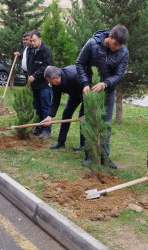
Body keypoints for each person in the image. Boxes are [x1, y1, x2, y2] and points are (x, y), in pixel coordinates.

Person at [75, 25, 129, 169]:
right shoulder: (92, 44)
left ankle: (104, 156)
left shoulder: (123, 52)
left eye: (120, 45)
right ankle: (88, 156)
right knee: (90, 123)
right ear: (110, 37)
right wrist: (85, 83)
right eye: (115, 44)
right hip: (90, 92)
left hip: (108, 92)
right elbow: (80, 63)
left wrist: (105, 83)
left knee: (106, 125)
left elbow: (119, 75)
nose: (117, 48)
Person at [41, 65, 85, 150]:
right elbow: (55, 99)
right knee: (66, 114)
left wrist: (87, 111)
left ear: (56, 78)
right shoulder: (55, 82)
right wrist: (49, 116)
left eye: (49, 81)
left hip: (86, 93)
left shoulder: (75, 76)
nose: (49, 83)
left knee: (82, 117)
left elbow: (88, 88)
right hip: (74, 94)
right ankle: (60, 142)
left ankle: (83, 144)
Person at [26, 30, 53, 139]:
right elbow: (30, 65)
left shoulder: (46, 51)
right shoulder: (31, 50)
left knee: (45, 107)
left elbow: (46, 66)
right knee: (37, 107)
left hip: (44, 84)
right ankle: (38, 127)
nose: (32, 43)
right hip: (34, 85)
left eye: (34, 40)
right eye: (31, 41)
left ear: (40, 39)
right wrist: (30, 75)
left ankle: (47, 130)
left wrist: (35, 75)